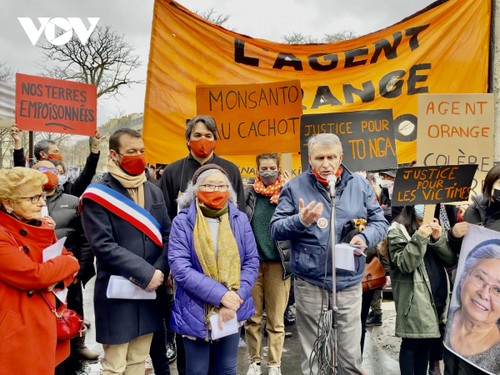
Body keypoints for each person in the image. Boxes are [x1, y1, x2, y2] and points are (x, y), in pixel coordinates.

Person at [270, 133, 388, 375]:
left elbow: (380, 221)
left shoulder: (360, 184)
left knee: (349, 355)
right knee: (314, 353)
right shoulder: (294, 187)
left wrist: (364, 238)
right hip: (311, 282)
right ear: (309, 160)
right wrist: (299, 221)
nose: (326, 164)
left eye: (331, 157)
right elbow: (275, 228)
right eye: (319, 158)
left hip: (349, 282)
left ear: (340, 157)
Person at [158, 114, 246, 374]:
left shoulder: (230, 169)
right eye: (197, 135)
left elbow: (240, 217)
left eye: (208, 135)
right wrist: (172, 267)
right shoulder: (172, 171)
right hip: (189, 266)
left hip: (227, 272)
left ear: (216, 140)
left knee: (225, 353)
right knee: (192, 342)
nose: (203, 140)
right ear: (187, 140)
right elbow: (165, 220)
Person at [80, 128, 170, 374]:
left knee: (139, 361)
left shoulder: (153, 190)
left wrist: (159, 271)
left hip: (150, 292)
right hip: (117, 293)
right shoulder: (98, 194)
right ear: (114, 154)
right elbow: (103, 245)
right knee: (115, 365)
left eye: (141, 151)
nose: (138, 156)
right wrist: (146, 273)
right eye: (131, 152)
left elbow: (167, 235)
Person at [168, 164, 259, 375]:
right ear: (196, 190)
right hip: (195, 310)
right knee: (197, 370)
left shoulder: (240, 219)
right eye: (208, 185)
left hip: (232, 309)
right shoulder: (182, 222)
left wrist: (235, 298)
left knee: (227, 369)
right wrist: (221, 296)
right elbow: (181, 268)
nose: (215, 190)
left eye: (221, 185)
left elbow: (251, 262)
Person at [0, 167, 80, 374]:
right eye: (33, 198)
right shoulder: (3, 236)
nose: (42, 203)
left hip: (44, 319)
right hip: (16, 329)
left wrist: (58, 274)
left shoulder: (38, 227)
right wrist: (59, 270)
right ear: (8, 202)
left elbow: (71, 263)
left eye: (42, 196)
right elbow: (35, 275)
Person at [33, 160, 99, 366]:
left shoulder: (72, 201)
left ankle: (77, 346)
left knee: (73, 310)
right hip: (40, 275)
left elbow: (85, 238)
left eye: (53, 170)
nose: (49, 174)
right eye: (42, 170)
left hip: (69, 271)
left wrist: (80, 267)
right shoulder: (26, 204)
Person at [387, 205, 456, 375]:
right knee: (411, 343)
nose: (425, 208)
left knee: (426, 344)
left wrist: (438, 238)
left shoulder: (436, 225)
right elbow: (405, 264)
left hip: (437, 296)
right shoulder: (397, 230)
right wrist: (420, 237)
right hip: (415, 298)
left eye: (430, 204)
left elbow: (450, 260)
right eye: (421, 204)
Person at [244, 153, 291, 375]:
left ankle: (274, 364)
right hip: (252, 265)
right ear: (257, 169)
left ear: (279, 168)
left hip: (278, 264)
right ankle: (254, 361)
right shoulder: (249, 194)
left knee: (276, 319)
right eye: (264, 167)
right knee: (252, 318)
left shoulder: (287, 194)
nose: (268, 171)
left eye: (272, 167)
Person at [443, 240, 500, 375]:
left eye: (498, 290)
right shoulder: (444, 320)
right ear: (463, 278)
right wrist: (453, 236)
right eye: (480, 278)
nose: (484, 294)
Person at [11, 125, 102, 197]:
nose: (55, 175)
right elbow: (19, 172)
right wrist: (18, 142)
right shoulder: (30, 184)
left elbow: (87, 175)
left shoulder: (67, 190)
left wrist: (95, 148)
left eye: (60, 172)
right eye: (55, 152)